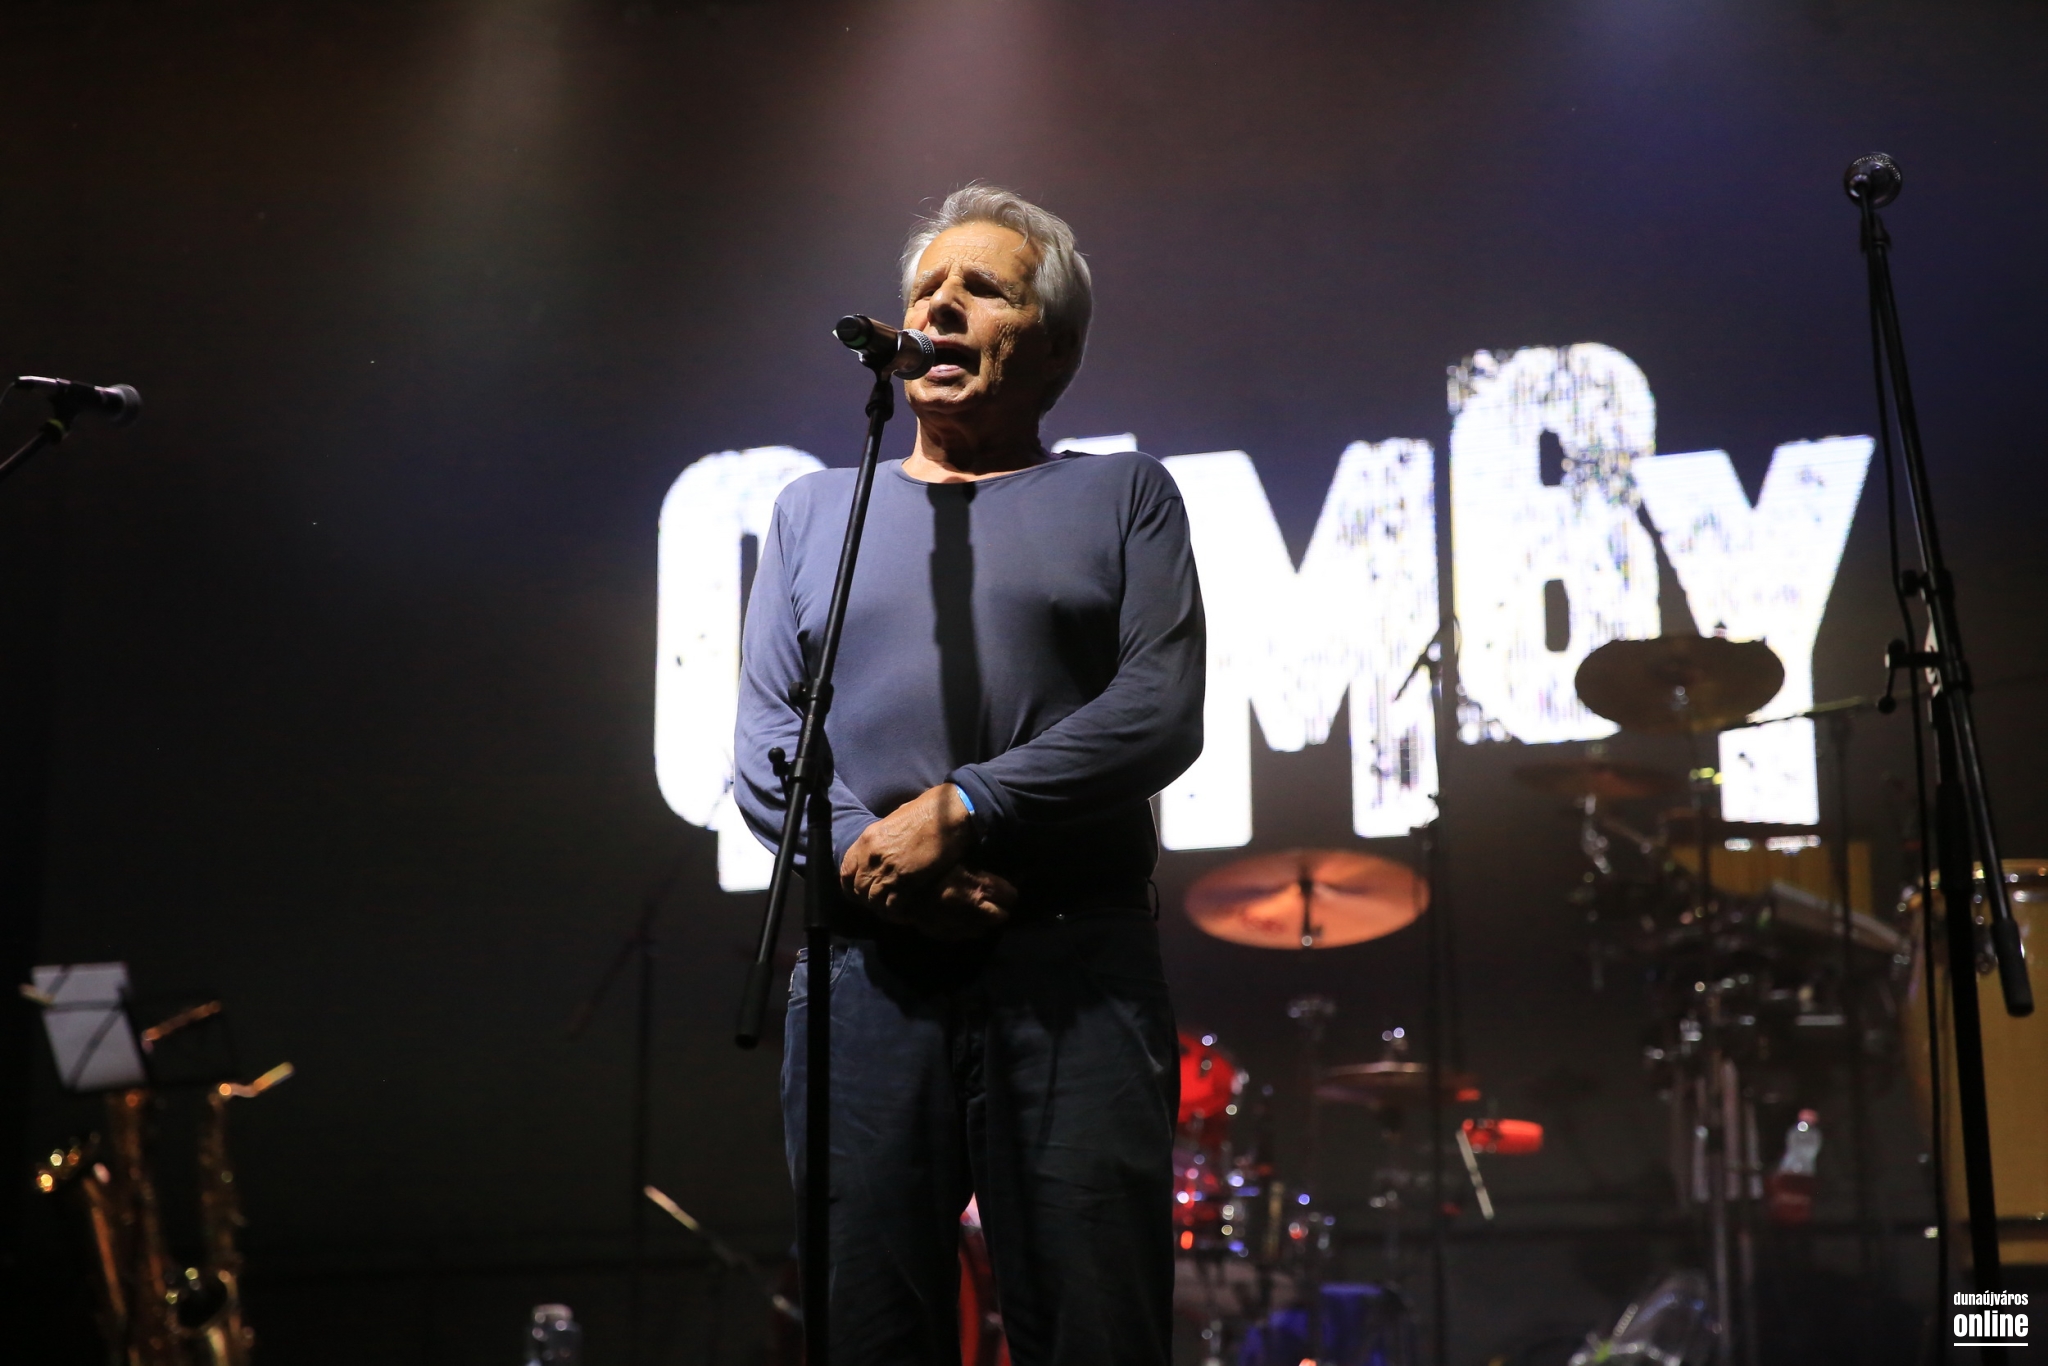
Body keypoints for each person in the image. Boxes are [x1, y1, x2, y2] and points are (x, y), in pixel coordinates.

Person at [735, 185, 1205, 1366]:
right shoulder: (813, 512)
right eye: (924, 289)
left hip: (1074, 969)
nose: (938, 306)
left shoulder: (1123, 496)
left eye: (981, 289)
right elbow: (767, 743)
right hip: (866, 979)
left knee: (1095, 1327)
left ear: (1054, 352)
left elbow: (1158, 708)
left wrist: (962, 809)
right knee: (867, 1329)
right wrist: (881, 863)